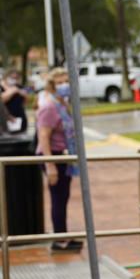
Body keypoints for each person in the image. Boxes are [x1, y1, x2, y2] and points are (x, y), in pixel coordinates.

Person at [35, 68, 81, 252]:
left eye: (66, 82)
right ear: (52, 85)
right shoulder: (49, 106)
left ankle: (63, 235)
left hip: (63, 156)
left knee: (63, 197)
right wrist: (50, 165)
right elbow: (43, 136)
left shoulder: (62, 104)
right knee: (57, 198)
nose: (64, 86)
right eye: (60, 82)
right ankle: (59, 241)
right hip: (52, 155)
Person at [1, 69, 29, 133]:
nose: (14, 79)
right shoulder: (1, 87)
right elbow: (2, 101)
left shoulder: (19, 86)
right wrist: (13, 91)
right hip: (6, 115)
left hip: (19, 116)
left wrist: (25, 96)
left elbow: (24, 102)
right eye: (12, 77)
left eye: (16, 78)